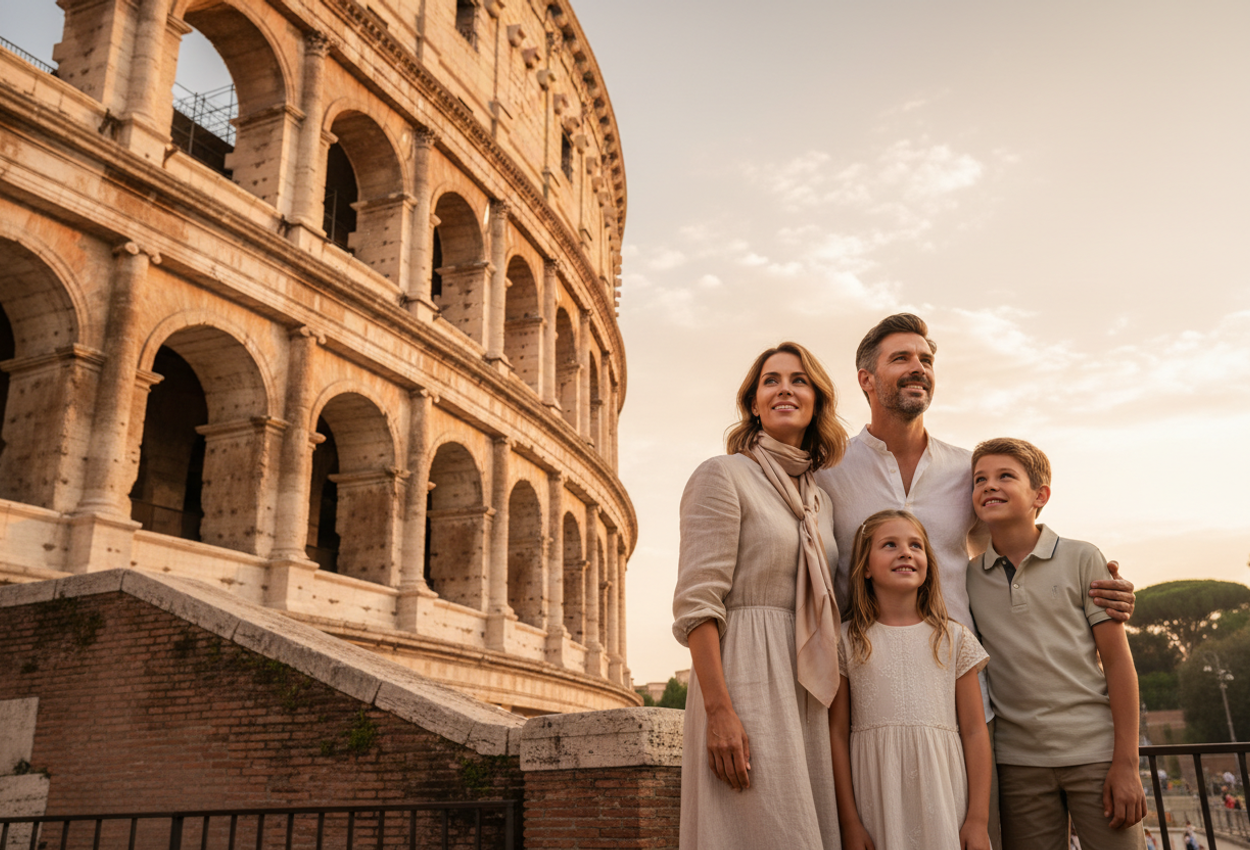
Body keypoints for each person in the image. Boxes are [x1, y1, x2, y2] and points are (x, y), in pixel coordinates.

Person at [815, 313, 1138, 846]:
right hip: (868, 703)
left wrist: (1101, 587)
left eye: (926, 359)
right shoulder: (829, 471)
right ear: (865, 378)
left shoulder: (968, 470)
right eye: (902, 358)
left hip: (968, 698)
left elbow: (1021, 543)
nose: (919, 368)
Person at [672, 342, 848, 849]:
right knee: (758, 826)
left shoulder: (820, 499)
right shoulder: (722, 475)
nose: (785, 389)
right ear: (753, 403)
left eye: (799, 380)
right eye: (771, 381)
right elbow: (697, 605)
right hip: (746, 675)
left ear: (816, 400)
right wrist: (720, 711)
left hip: (806, 686)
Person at [965, 437, 1147, 849]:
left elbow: (1118, 663)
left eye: (1005, 476)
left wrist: (1126, 763)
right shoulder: (969, 577)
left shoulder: (1083, 558)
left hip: (1095, 756)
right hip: (1016, 764)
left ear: (1040, 495)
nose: (989, 486)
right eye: (980, 480)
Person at [830, 509, 991, 850]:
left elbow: (976, 731)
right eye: (890, 544)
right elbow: (837, 734)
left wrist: (977, 819)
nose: (906, 552)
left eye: (915, 545)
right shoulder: (845, 640)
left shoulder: (954, 639)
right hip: (875, 797)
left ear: (928, 563)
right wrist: (849, 822)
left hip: (944, 797)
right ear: (866, 566)